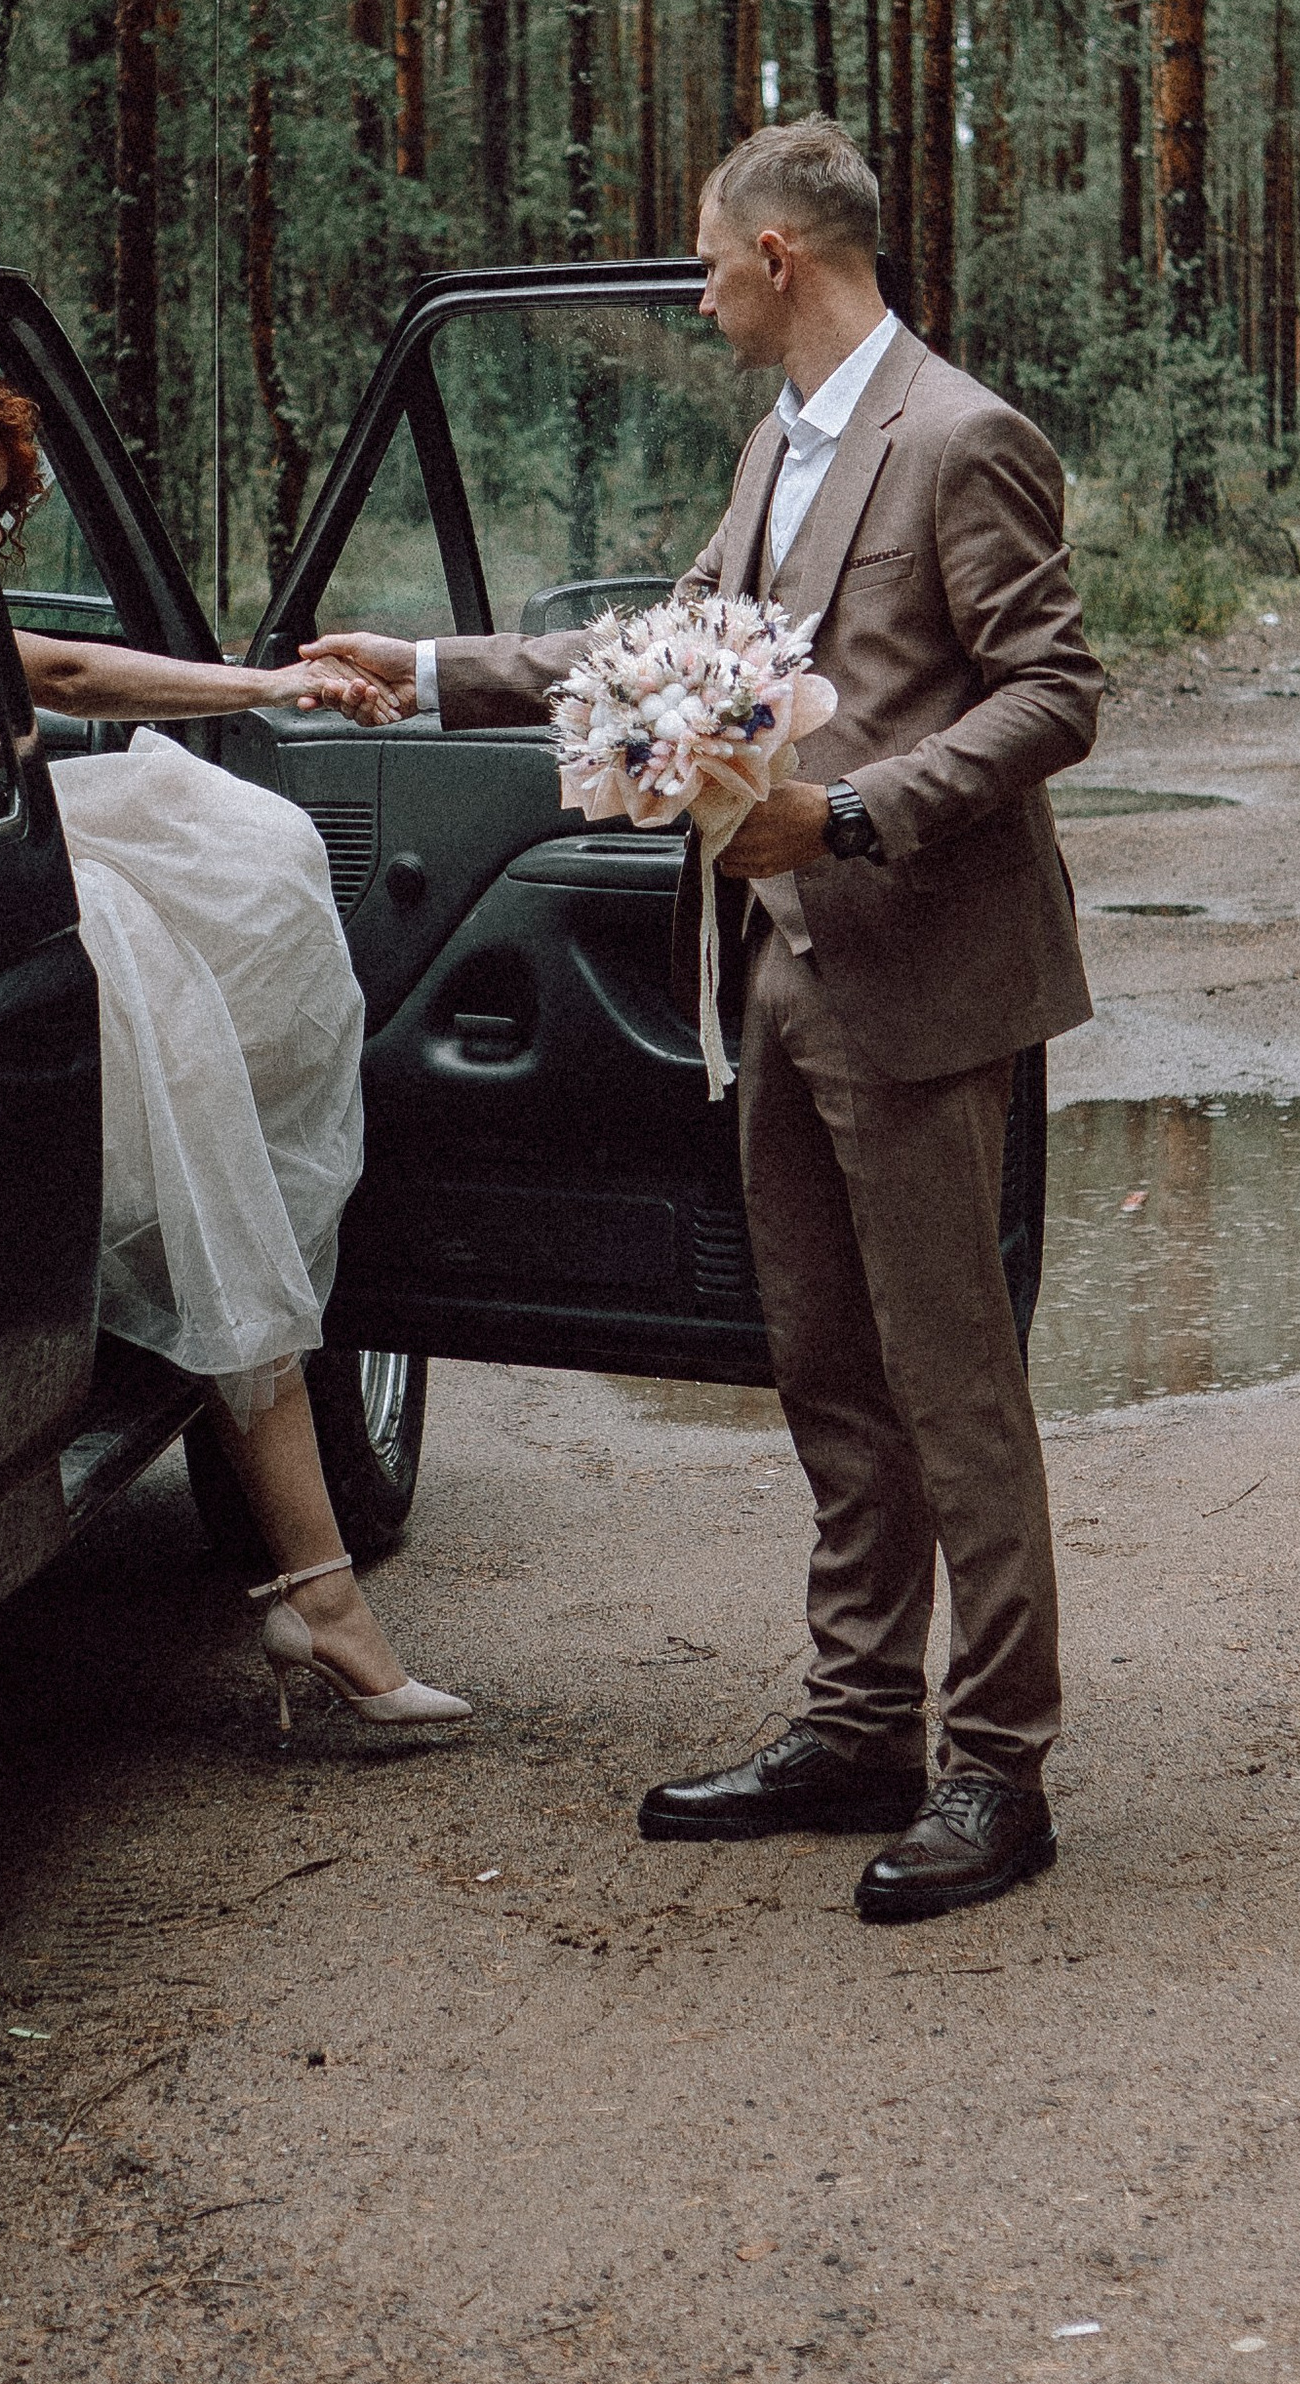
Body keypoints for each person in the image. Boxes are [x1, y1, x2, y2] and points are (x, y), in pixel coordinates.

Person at [316, 120, 1101, 1917]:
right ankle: (855, 1728)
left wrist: (863, 809)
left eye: (702, 256)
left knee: (952, 1386)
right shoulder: (779, 446)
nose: (690, 289)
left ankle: (998, 1772)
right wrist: (423, 671)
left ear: (775, 259)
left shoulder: (959, 437)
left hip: (915, 971)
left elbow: (1057, 689)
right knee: (824, 1370)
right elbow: (658, 650)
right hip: (772, 978)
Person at [0, 357, 467, 1738]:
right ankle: (322, 1598)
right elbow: (64, 666)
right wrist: (261, 685)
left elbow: (46, 684)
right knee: (213, 1157)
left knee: (256, 870)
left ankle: (323, 1593)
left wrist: (257, 686)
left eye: (2, 514)